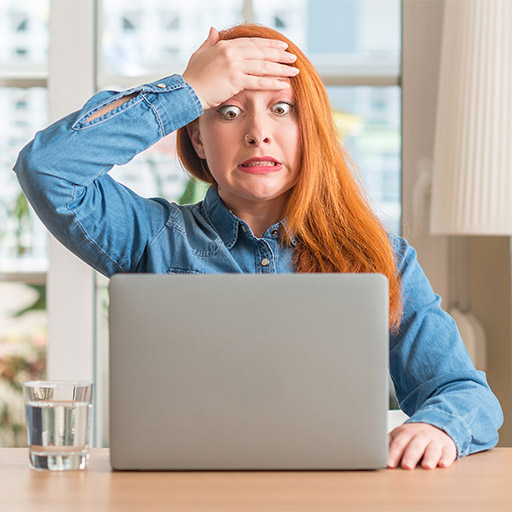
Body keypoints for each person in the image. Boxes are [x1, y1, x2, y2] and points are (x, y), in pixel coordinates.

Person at [13, 24, 503, 470]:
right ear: (199, 140)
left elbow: (464, 393)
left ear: (308, 132)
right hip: (175, 495)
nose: (257, 132)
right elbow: (48, 168)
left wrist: (437, 427)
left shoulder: (384, 258)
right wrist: (188, 90)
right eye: (227, 111)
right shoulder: (153, 238)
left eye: (282, 109)